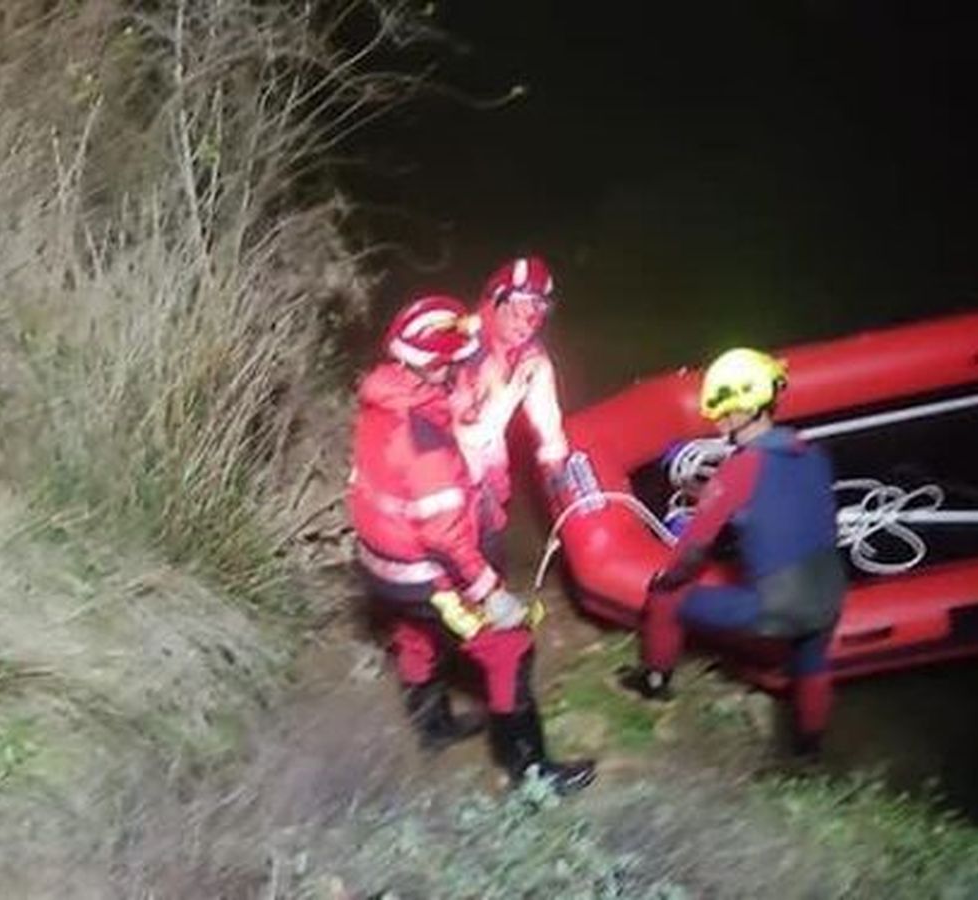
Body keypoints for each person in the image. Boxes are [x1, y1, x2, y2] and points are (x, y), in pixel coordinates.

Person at [347, 294, 595, 793]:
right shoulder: (426, 444)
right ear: (435, 364)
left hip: (379, 565)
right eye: (453, 362)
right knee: (510, 649)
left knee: (416, 637)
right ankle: (528, 773)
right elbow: (444, 536)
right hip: (423, 576)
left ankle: (433, 728)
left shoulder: (381, 400)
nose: (461, 369)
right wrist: (490, 593)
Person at [617, 348, 848, 756]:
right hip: (830, 592)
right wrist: (717, 498)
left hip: (780, 604)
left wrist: (670, 579)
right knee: (812, 660)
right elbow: (787, 508)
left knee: (666, 595)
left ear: (747, 407)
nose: (718, 421)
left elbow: (692, 551)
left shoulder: (740, 469)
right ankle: (810, 749)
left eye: (725, 411)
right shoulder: (813, 453)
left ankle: (654, 682)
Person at [452, 256, 570, 558]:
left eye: (539, 310)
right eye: (520, 308)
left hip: (489, 461)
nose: (529, 321)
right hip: (445, 468)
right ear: (497, 301)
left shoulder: (532, 360)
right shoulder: (457, 346)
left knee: (491, 545)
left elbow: (547, 422)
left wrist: (557, 473)